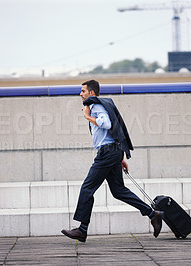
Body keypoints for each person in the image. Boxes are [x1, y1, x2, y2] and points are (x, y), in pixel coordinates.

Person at [61, 80, 163, 243]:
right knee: (118, 191)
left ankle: (82, 230)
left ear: (92, 93)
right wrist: (120, 157)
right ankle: (153, 214)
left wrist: (88, 117)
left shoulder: (96, 106)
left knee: (87, 188)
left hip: (107, 153)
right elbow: (112, 132)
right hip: (113, 152)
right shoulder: (97, 105)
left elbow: (107, 124)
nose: (80, 94)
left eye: (83, 91)